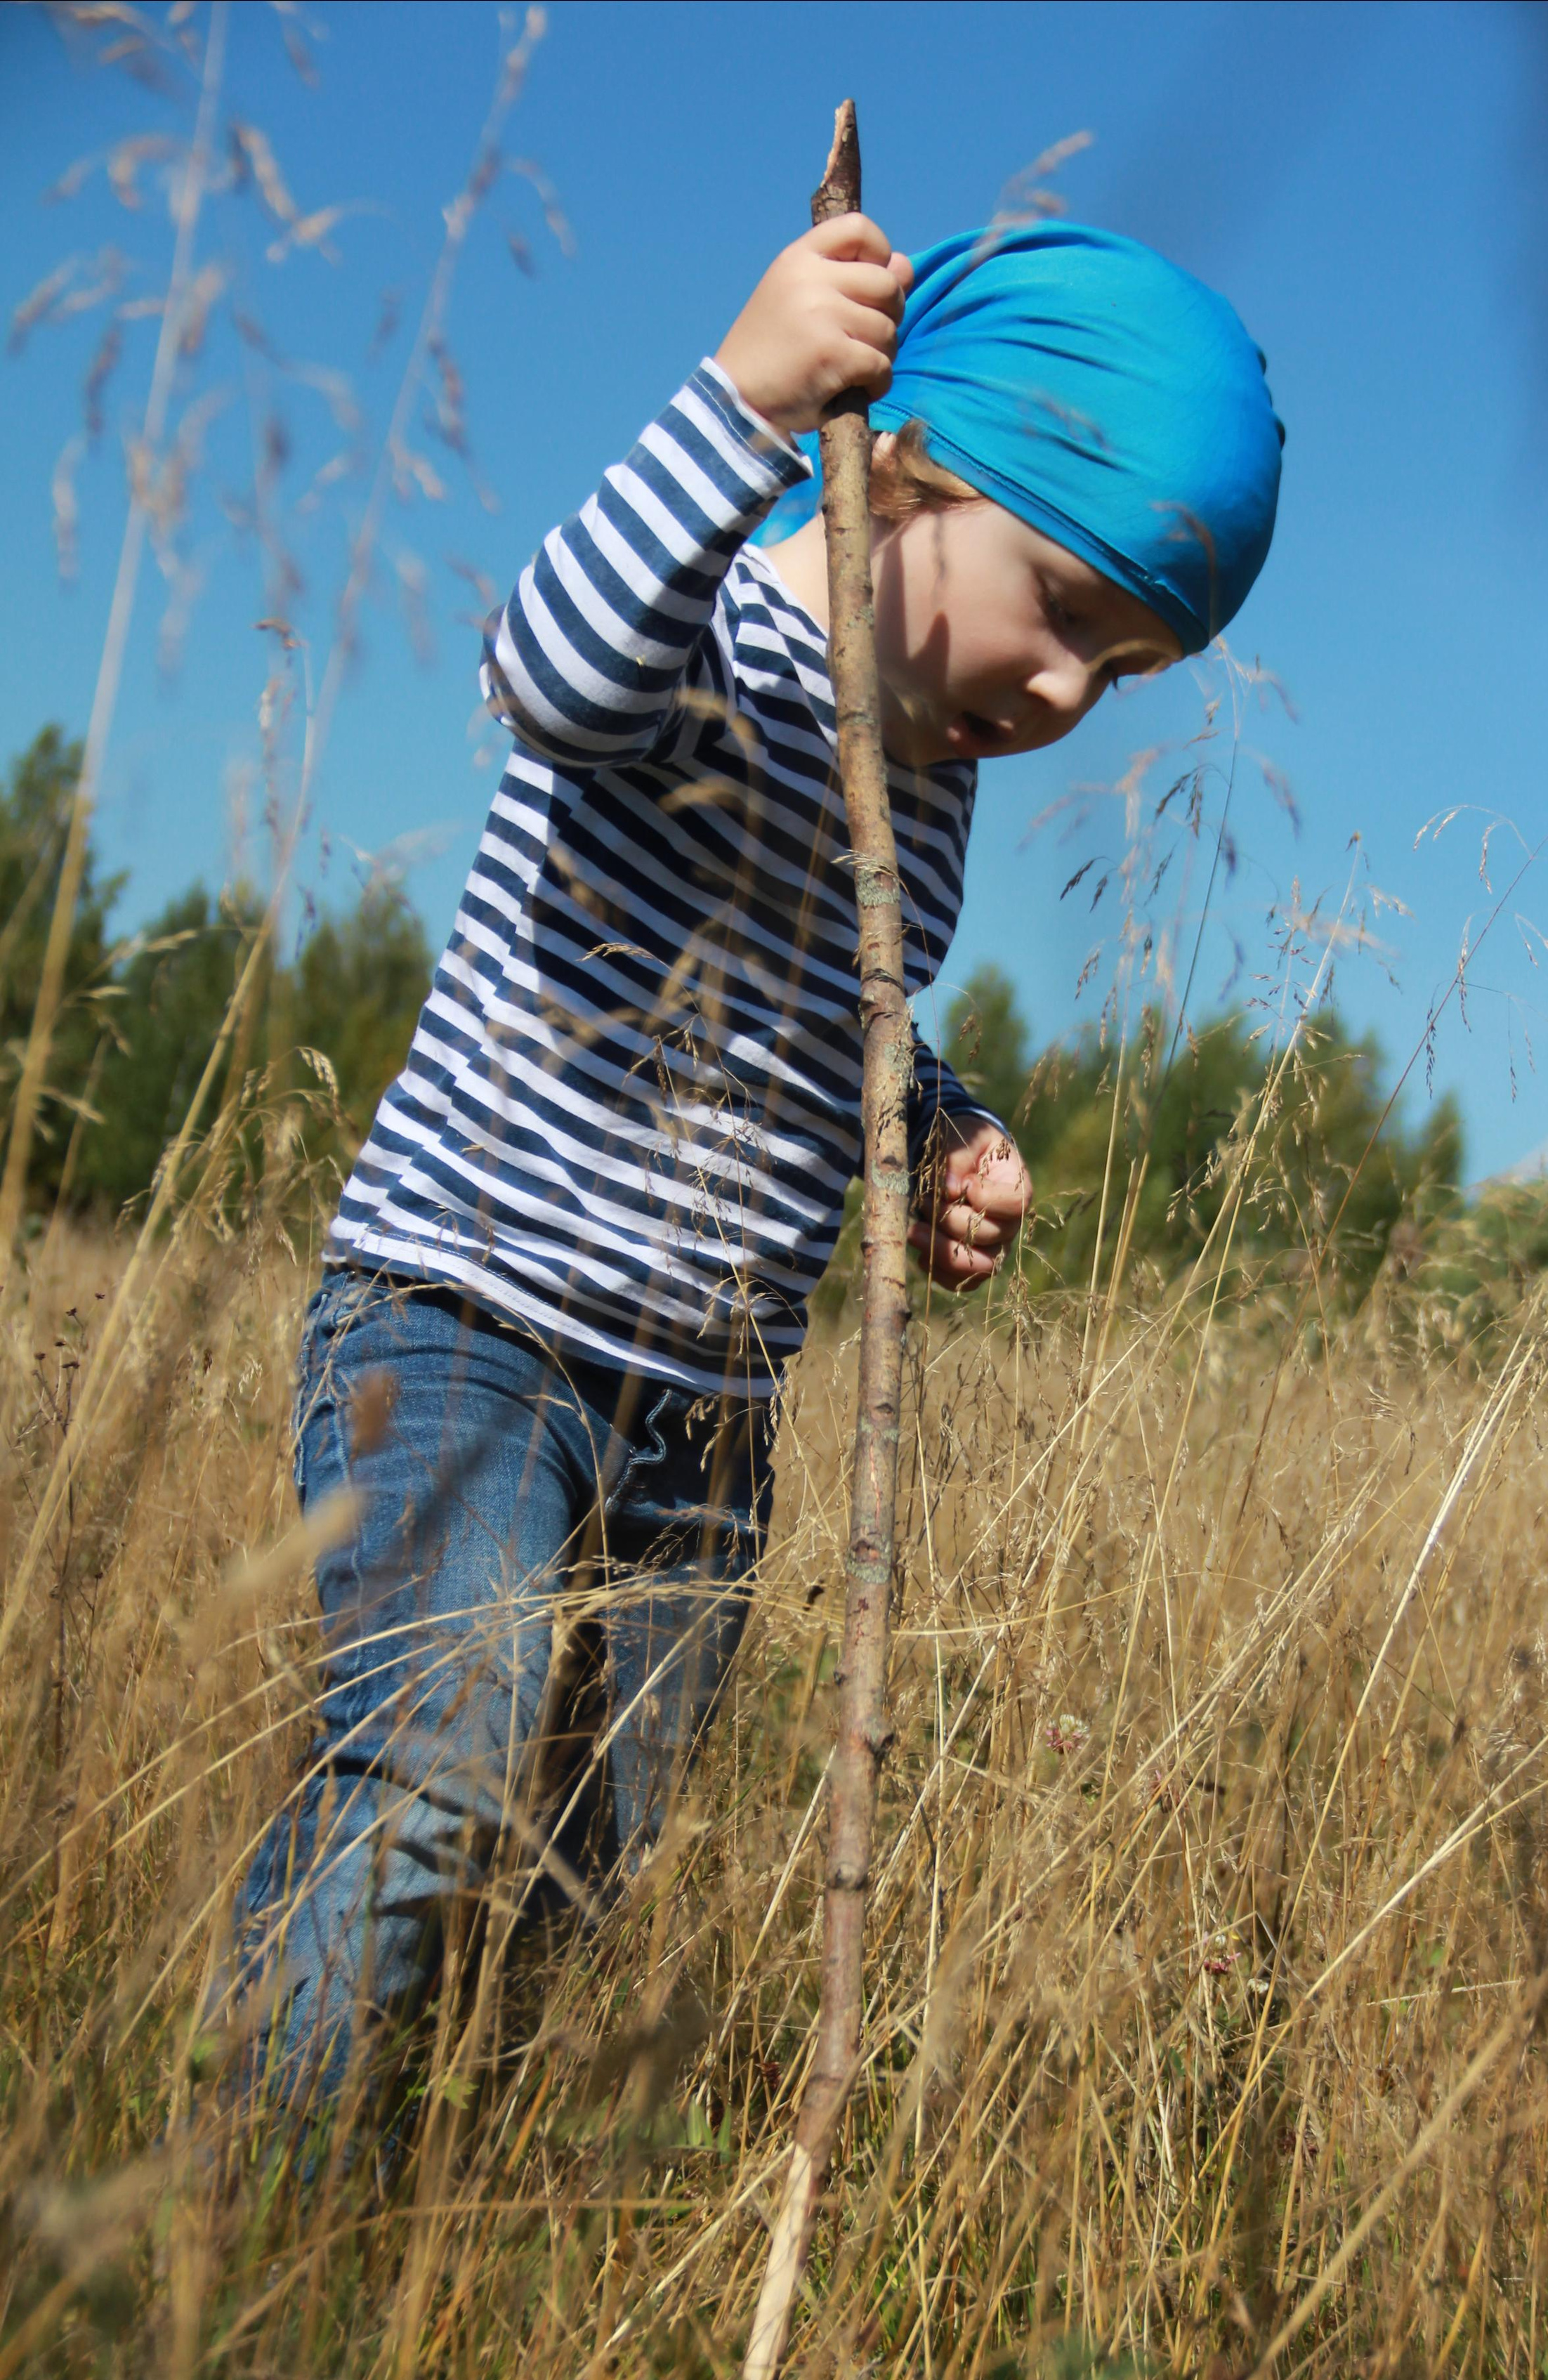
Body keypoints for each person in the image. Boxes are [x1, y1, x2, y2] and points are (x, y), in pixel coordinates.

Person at [229, 209, 1283, 2112]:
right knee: (436, 1766)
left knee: (578, 1855)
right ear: (901, 467)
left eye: (1120, 673)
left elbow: (834, 1018)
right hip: (471, 1331)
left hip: (705, 1417)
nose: (1061, 695)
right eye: (1059, 604)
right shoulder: (698, 635)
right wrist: (740, 399)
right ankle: (240, 2210)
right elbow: (548, 675)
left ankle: (436, 2192)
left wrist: (937, 1131)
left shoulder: (929, 805)